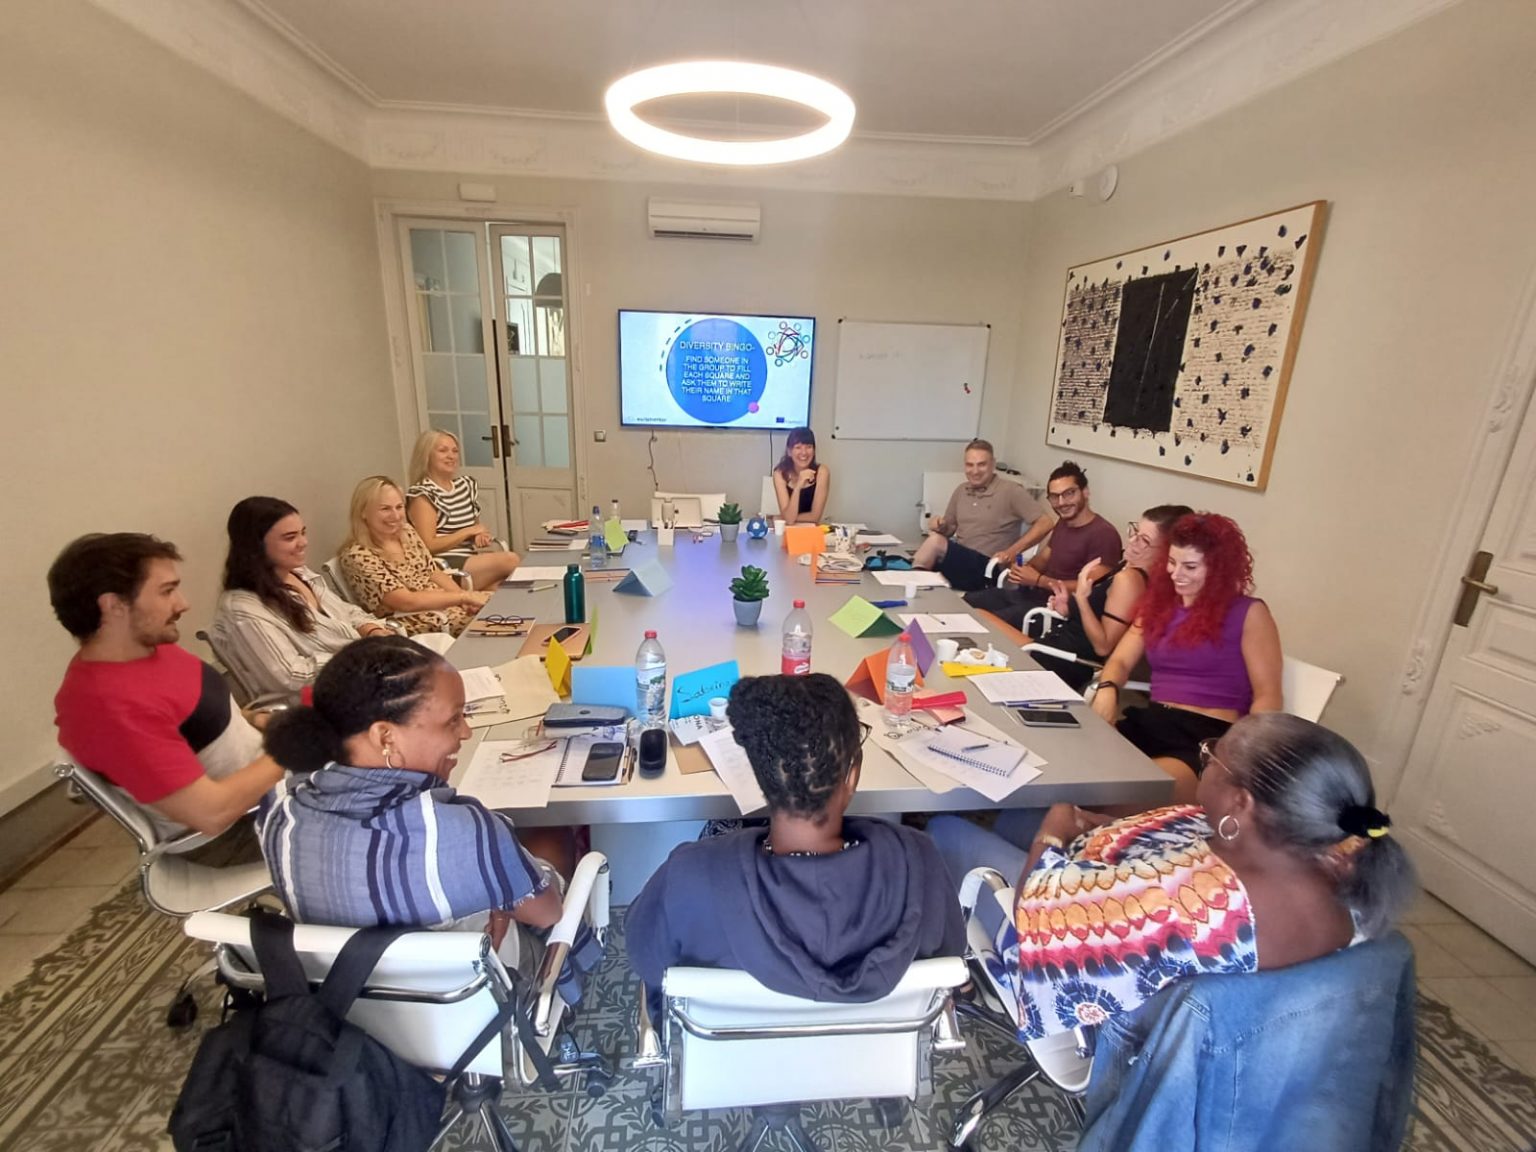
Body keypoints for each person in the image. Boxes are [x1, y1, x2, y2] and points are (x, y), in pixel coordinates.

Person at [929, 713, 1416, 1043]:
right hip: (1216, 1006)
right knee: (1015, 819)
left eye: (1213, 757)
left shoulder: (1190, 904)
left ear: (1242, 803)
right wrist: (1097, 832)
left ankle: (951, 976)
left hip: (1112, 1021)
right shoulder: (1337, 869)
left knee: (945, 830)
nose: (1205, 761)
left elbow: (1037, 912)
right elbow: (1178, 843)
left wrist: (1053, 833)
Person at [258, 635, 600, 993]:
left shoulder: (280, 808)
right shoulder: (462, 832)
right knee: (552, 836)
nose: (465, 732)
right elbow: (547, 914)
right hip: (472, 999)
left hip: (341, 1001)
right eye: (453, 720)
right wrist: (499, 898)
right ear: (386, 737)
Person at [627, 673, 965, 1021]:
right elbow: (949, 961)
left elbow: (646, 958)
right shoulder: (920, 861)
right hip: (881, 1054)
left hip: (729, 1053)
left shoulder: (689, 877)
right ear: (851, 776)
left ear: (761, 777)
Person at [49, 533, 284, 837]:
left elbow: (197, 721)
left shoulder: (150, 649)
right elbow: (212, 814)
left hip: (267, 785)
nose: (183, 604)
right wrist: (295, 748)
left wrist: (258, 719)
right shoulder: (107, 708)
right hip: (240, 832)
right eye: (167, 591)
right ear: (114, 605)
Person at [1091, 512, 1283, 803]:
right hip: (1154, 721)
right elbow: (1119, 661)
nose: (1176, 574)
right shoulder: (1159, 605)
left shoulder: (1249, 613)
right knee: (1078, 782)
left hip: (1205, 737)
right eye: (1171, 562)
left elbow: (1268, 696)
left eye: (1190, 566)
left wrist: (1242, 759)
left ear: (1218, 568)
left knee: (1116, 797)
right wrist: (1107, 689)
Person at [211, 496, 402, 697]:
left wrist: (371, 630)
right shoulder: (243, 609)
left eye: (303, 533)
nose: (303, 543)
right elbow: (290, 678)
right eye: (290, 537)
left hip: (365, 672)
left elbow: (348, 612)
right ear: (256, 545)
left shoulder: (299, 573)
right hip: (331, 694)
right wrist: (359, 654)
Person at [1012, 504, 1193, 691]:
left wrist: (1082, 600)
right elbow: (1100, 615)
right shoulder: (1133, 572)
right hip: (1057, 645)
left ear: (1166, 552)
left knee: (995, 634)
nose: (1132, 540)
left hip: (1066, 660)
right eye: (1135, 531)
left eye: (1144, 540)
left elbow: (1103, 646)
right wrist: (1068, 609)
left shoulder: (1129, 580)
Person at [963, 460, 1124, 620]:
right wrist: (1024, 569)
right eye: (1054, 497)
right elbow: (1043, 559)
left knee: (988, 621)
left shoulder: (1104, 534)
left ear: (1085, 492)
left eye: (1069, 493)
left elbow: (1091, 589)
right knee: (967, 602)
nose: (1061, 503)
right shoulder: (1063, 523)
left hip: (1055, 610)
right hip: (1031, 595)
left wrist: (1039, 580)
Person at [338, 476, 491, 637]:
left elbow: (433, 572)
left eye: (399, 507)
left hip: (444, 604)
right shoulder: (357, 556)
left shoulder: (407, 532)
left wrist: (466, 601)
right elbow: (406, 602)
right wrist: (462, 597)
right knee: (495, 621)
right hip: (416, 619)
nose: (396, 516)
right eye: (385, 509)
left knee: (498, 602)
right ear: (363, 512)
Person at [911, 439, 1054, 591]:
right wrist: (939, 525)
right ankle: (914, 590)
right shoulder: (961, 490)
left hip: (989, 568)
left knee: (934, 543)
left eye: (981, 465)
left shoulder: (1011, 490)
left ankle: (911, 586)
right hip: (962, 563)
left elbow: (1045, 523)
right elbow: (949, 529)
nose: (975, 471)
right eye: (970, 465)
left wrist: (1011, 552)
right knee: (922, 554)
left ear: (993, 464)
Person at [405, 429, 522, 588]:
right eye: (443, 451)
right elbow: (428, 545)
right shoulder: (423, 494)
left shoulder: (465, 485)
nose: (451, 456)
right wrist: (468, 532)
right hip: (443, 565)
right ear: (426, 455)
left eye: (455, 451)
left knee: (503, 587)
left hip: (469, 559)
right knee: (511, 560)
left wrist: (480, 535)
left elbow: (475, 528)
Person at [771, 427, 830, 524]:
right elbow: (789, 520)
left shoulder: (822, 472)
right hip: (787, 529)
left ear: (814, 450)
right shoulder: (780, 473)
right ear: (789, 451)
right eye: (798, 447)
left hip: (811, 529)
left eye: (808, 447)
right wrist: (798, 486)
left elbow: (815, 517)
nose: (804, 452)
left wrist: (783, 517)